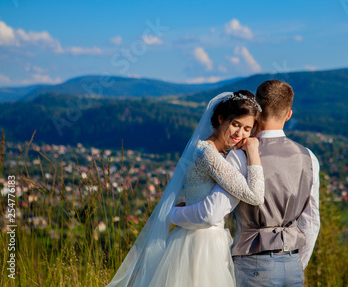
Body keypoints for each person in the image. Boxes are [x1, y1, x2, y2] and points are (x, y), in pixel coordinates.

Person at [106, 90, 265, 287]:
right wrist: (253, 151)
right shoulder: (209, 154)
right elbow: (256, 196)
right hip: (199, 244)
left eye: (247, 129)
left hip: (201, 238)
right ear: (221, 118)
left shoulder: (213, 151)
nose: (240, 134)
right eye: (235, 125)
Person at [170, 79, 321, 287]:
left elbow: (214, 211)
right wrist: (296, 262)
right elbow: (311, 222)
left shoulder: (240, 156)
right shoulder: (309, 157)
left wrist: (173, 214)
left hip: (253, 264)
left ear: (257, 114)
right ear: (288, 114)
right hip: (293, 265)